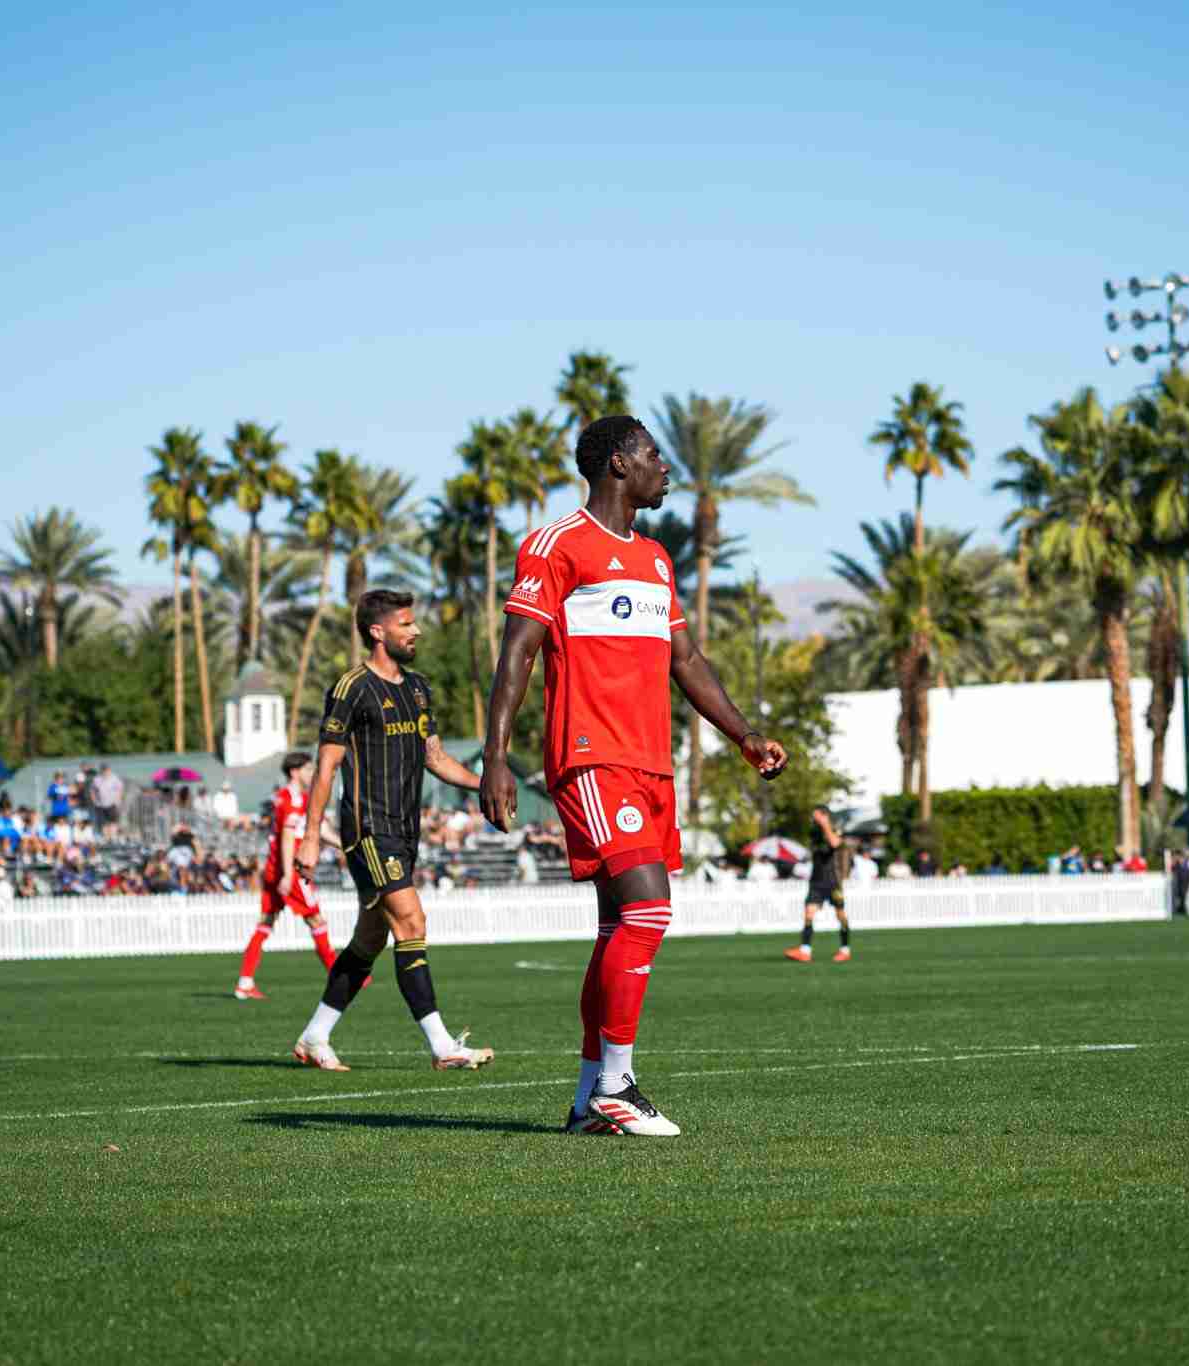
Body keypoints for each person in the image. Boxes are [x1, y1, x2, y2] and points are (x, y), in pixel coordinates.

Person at [480, 414, 788, 1138]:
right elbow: (518, 651)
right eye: (653, 454)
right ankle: (618, 1085)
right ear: (618, 463)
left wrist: (744, 734)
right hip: (592, 756)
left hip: (650, 763)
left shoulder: (654, 558)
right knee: (650, 911)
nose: (665, 467)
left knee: (620, 922)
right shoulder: (558, 545)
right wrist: (496, 757)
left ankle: (590, 1096)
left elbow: (686, 661)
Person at [291, 590, 493, 1071]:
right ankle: (443, 1046)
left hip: (404, 831)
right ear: (378, 632)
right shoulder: (351, 688)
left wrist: (486, 787)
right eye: (406, 623)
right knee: (412, 922)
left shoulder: (419, 687)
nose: (416, 630)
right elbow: (326, 768)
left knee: (369, 941)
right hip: (367, 828)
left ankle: (313, 1038)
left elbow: (437, 758)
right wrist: (311, 835)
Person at [233, 751, 337, 1000]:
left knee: (265, 923)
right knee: (317, 920)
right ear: (294, 772)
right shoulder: (291, 799)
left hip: (276, 868)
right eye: (308, 769)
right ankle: (340, 976)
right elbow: (288, 837)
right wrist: (288, 874)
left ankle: (244, 983)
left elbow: (319, 829)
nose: (312, 773)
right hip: (289, 870)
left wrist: (345, 846)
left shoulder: (293, 797)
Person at [786, 806, 852, 964]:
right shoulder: (814, 832)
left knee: (840, 915)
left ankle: (845, 950)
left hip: (832, 881)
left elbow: (835, 844)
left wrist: (825, 825)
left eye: (816, 816)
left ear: (824, 815)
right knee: (809, 913)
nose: (813, 819)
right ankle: (805, 951)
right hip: (816, 880)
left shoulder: (835, 829)